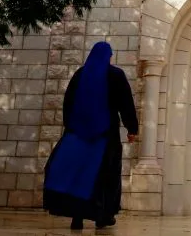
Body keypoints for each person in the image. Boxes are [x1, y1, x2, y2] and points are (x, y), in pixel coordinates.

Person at [43, 42, 138, 230]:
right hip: (105, 135)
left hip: (77, 135)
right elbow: (125, 103)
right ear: (108, 56)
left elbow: (68, 103)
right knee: (105, 175)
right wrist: (132, 128)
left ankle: (77, 217)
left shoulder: (80, 75)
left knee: (79, 173)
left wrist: (71, 128)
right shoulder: (115, 75)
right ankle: (103, 217)